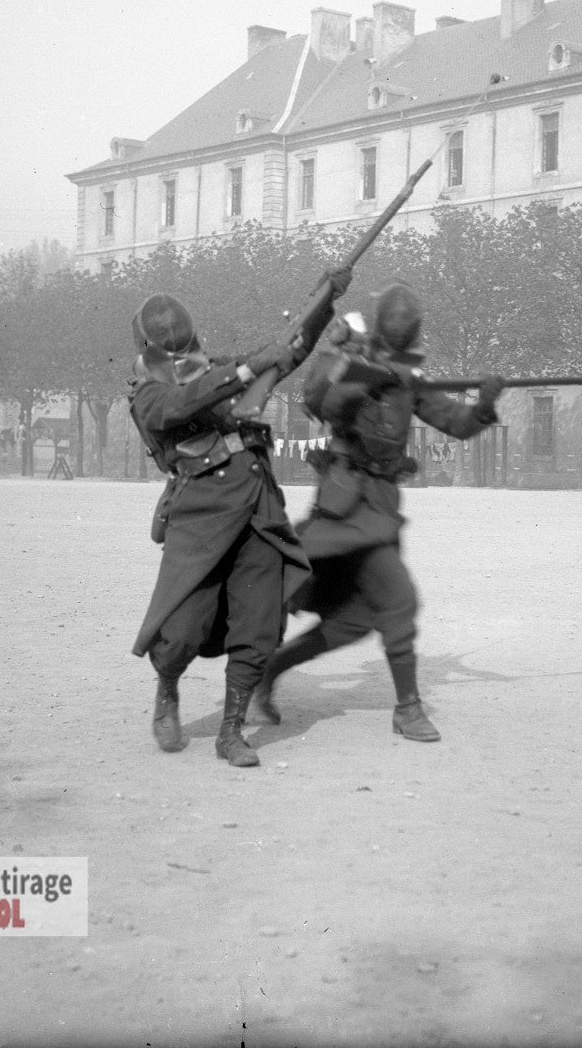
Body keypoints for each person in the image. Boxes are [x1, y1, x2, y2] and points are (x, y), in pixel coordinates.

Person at [251, 282, 501, 743]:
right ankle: (408, 709)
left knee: (352, 620)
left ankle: (267, 671)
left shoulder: (411, 379)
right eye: (395, 328)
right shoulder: (351, 355)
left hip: (381, 508)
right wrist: (362, 379)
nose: (402, 335)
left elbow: (455, 422)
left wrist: (484, 404)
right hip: (345, 506)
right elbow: (316, 399)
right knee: (399, 601)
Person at [129, 269, 351, 768]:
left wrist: (325, 300)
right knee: (182, 631)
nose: (185, 360)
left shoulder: (220, 368)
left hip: (257, 510)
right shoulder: (147, 395)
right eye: (174, 354)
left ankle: (231, 731)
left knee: (258, 626)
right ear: (149, 353)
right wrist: (247, 371)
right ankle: (167, 687)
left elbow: (287, 351)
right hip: (200, 518)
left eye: (188, 349)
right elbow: (184, 403)